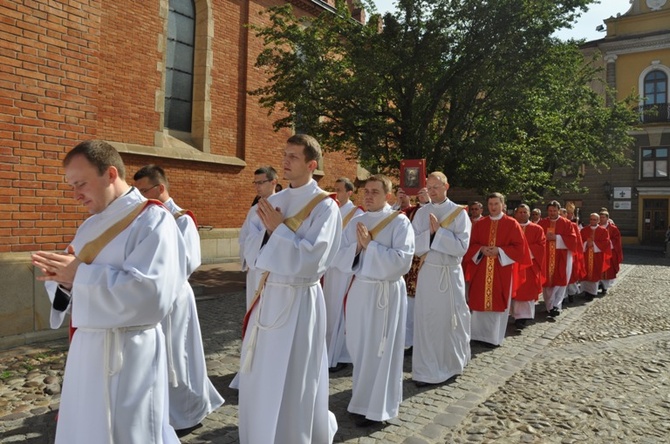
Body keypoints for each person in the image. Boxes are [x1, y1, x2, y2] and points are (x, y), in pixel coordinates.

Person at [31, 140, 186, 444]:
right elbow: (75, 280)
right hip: (87, 350)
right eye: (72, 185)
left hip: (128, 352)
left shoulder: (153, 220)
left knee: (127, 432)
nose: (75, 194)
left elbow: (152, 294)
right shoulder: (89, 227)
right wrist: (63, 281)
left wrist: (80, 275)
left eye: (81, 183)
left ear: (111, 173)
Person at [237, 134, 341, 444]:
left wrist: (277, 231)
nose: (285, 161)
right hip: (270, 296)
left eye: (293, 156)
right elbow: (248, 247)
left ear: (311, 164)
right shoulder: (273, 203)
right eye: (284, 154)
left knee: (296, 374)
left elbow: (314, 259)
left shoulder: (325, 206)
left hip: (300, 298)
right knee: (264, 372)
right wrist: (273, 234)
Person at [133, 164, 224, 434]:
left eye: (144, 190)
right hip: (156, 296)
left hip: (175, 296)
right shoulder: (144, 216)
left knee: (179, 355)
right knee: (161, 355)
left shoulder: (181, 218)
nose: (140, 196)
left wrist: (159, 277)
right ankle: (164, 409)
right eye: (136, 191)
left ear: (160, 188)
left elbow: (189, 260)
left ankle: (187, 413)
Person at [332, 174, 414, 426]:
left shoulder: (400, 223)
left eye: (375, 192)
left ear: (387, 195)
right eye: (366, 191)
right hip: (361, 290)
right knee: (359, 346)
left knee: (381, 349)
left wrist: (370, 246)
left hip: (386, 293)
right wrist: (357, 248)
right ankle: (360, 400)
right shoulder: (356, 220)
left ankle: (378, 408)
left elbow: (403, 261)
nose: (368, 195)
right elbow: (339, 256)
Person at [411, 172, 471, 387]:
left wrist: (438, 234)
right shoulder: (421, 213)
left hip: (450, 274)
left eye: (436, 186)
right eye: (430, 187)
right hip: (429, 273)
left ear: (447, 186)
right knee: (427, 320)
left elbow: (462, 247)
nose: (432, 190)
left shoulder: (458, 213)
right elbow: (413, 245)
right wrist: (431, 235)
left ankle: (451, 364)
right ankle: (426, 370)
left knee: (450, 320)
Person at [465, 193, 531, 346]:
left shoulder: (512, 224)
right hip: (481, 269)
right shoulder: (481, 224)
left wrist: (499, 251)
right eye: (490, 204)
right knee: (479, 300)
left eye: (496, 204)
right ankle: (477, 335)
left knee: (497, 302)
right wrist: (481, 249)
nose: (493, 207)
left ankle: (493, 338)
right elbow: (471, 245)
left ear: (502, 204)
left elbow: (519, 248)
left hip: (501, 270)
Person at [323, 177, 364, 372]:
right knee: (330, 310)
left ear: (349, 192)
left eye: (339, 190)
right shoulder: (331, 211)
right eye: (334, 189)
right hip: (330, 269)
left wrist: (338, 256)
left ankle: (341, 354)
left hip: (345, 270)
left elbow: (356, 245)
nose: (336, 193)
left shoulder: (357, 214)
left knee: (341, 310)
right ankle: (328, 351)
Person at [240, 166, 279, 308]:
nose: (257, 186)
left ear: (274, 182)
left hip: (272, 269)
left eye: (261, 182)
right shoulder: (253, 210)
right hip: (253, 267)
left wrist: (260, 239)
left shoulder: (282, 206)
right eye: (255, 183)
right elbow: (244, 237)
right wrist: (249, 255)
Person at [402, 187, 430, 353]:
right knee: (411, 305)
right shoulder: (410, 211)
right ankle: (411, 341)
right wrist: (402, 201)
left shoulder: (437, 210)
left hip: (428, 261)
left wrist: (428, 203)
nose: (421, 194)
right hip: (412, 264)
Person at [538, 201, 577, 317]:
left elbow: (573, 240)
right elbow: (536, 239)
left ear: (559, 211)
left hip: (562, 257)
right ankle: (549, 306)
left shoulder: (566, 223)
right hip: (546, 257)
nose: (552, 213)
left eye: (554, 210)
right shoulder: (542, 223)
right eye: (550, 210)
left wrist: (557, 238)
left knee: (560, 281)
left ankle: (556, 306)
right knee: (547, 283)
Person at [511, 204, 546, 330]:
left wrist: (525, 251)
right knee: (513, 291)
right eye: (520, 212)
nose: (522, 214)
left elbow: (541, 246)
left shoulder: (537, 229)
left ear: (529, 213)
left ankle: (523, 317)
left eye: (524, 212)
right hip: (512, 265)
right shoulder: (511, 227)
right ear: (516, 213)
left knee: (526, 291)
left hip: (529, 265)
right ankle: (514, 314)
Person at [580, 213, 611, 300]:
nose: (592, 221)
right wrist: (586, 244)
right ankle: (586, 291)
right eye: (591, 219)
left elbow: (605, 243)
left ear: (598, 220)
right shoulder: (584, 230)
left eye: (594, 219)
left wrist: (593, 244)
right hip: (586, 256)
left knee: (594, 273)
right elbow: (579, 241)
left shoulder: (603, 231)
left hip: (597, 256)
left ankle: (592, 292)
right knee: (585, 273)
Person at [599, 210, 623, 295]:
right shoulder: (596, 227)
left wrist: (607, 243)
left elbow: (617, 240)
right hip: (598, 253)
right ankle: (599, 284)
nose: (601, 219)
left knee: (607, 271)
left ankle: (605, 287)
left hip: (609, 253)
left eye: (603, 217)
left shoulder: (613, 229)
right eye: (600, 217)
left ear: (607, 218)